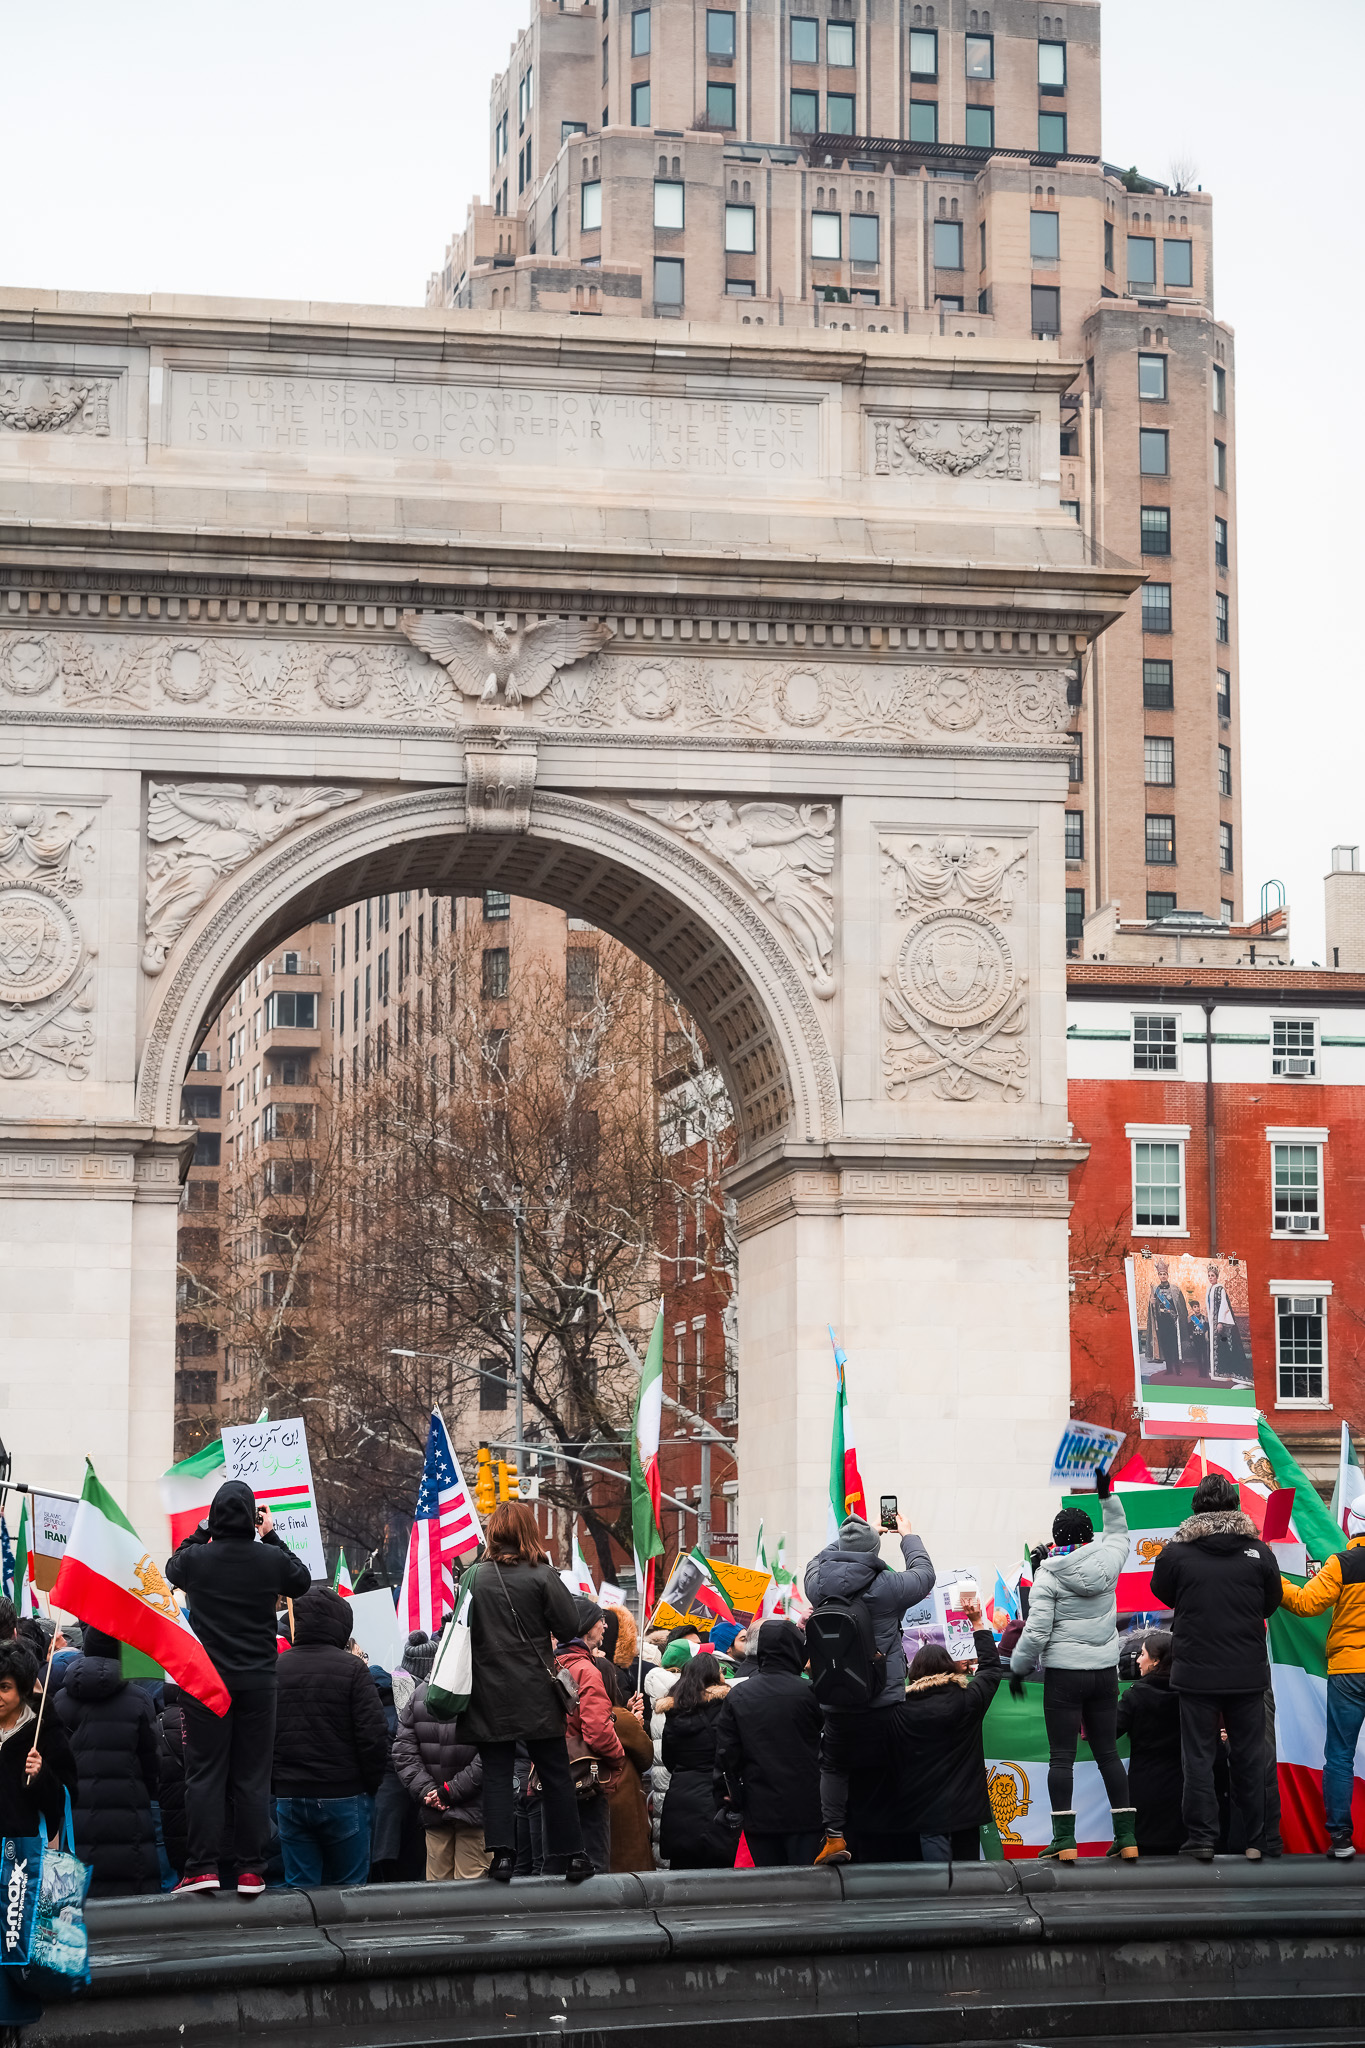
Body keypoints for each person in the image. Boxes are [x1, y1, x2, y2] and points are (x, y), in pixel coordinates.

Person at [165, 1479, 312, 1895]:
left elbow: (171, 1568)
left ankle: (202, 1867)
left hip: (207, 1683)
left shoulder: (197, 1559)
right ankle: (251, 1870)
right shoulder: (270, 1559)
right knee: (252, 1776)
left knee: (205, 1774)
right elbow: (301, 1580)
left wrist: (202, 1530)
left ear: (214, 1517)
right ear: (252, 1517)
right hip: (259, 1682)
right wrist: (272, 1535)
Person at [456, 1500, 593, 1884]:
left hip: (488, 1693)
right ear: (528, 1532)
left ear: (494, 1533)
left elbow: (460, 1631)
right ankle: (573, 1857)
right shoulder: (542, 1575)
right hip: (536, 1693)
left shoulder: (473, 1577)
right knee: (555, 1773)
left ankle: (502, 1858)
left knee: (497, 1776)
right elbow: (569, 1627)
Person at [1150, 1470, 1282, 1861]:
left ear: (1195, 1508)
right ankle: (1258, 1839)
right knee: (1251, 1758)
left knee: (1198, 1758)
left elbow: (1162, 1592)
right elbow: (1271, 1602)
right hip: (1247, 1672)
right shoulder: (1259, 1552)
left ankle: (1202, 1838)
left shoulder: (1176, 1553)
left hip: (1195, 1672)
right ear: (1235, 1506)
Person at [1010, 1466, 1137, 1861]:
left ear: (1056, 1540)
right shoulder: (1110, 1559)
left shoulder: (1047, 1577)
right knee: (1108, 1754)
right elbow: (1118, 1531)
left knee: (1061, 1758)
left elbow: (1036, 1633)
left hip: (1064, 1677)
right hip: (1104, 1673)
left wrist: (1018, 1667)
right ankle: (1127, 1837)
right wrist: (1106, 1495)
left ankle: (1064, 1841)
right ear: (1089, 1537)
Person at [803, 1509, 935, 1864]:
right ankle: (900, 1838)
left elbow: (817, 1559)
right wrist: (907, 1536)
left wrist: (851, 1539)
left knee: (833, 1766)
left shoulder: (817, 1584)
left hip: (836, 1696)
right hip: (883, 1697)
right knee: (893, 1765)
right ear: (874, 1549)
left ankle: (834, 1837)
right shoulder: (886, 1586)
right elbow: (925, 1575)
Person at [271, 1586, 389, 1888]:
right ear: (341, 1624)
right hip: (345, 1793)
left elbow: (261, 1735)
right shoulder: (353, 1669)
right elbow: (373, 1735)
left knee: (301, 1893)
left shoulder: (276, 1668)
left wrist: (277, 1783)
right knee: (350, 1891)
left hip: (290, 1795)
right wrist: (369, 1785)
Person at [885, 1590, 1003, 1862]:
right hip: (967, 1812)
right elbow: (991, 1670)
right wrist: (977, 1623)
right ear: (950, 1667)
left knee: (935, 1880)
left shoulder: (900, 1709)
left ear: (914, 1672)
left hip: (922, 1813)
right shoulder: (969, 1700)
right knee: (967, 1877)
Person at [1277, 1494, 1365, 1857]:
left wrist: (1275, 1578)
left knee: (1341, 1755)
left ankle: (1341, 1839)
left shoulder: (1342, 1563)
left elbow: (1306, 1603)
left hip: (1348, 1671)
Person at [0, 1639, 79, 2038]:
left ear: (22, 1687)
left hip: (24, 1859)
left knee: (17, 1943)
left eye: (5, 1687)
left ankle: (13, 2026)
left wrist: (41, 1775)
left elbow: (66, 1797)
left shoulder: (44, 1729)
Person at [52, 1624, 159, 1896]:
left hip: (76, 1816)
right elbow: (151, 1763)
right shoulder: (140, 1699)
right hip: (130, 1812)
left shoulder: (59, 1700)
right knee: (134, 1903)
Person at [713, 1618, 821, 1866]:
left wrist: (727, 1799)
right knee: (807, 1881)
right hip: (807, 1807)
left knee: (769, 1880)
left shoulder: (739, 1694)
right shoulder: (811, 1692)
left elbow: (727, 1754)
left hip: (759, 1809)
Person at [393, 1668, 490, 1881]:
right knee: (472, 1887)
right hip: (474, 1810)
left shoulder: (419, 1694)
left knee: (437, 1889)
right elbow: (491, 1752)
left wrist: (429, 1792)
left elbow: (403, 1752)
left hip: (435, 1810)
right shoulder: (485, 1690)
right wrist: (449, 1791)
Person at [555, 1599, 626, 1875]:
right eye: (600, 1620)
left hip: (551, 1777)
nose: (605, 1626)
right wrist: (618, 1758)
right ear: (586, 1627)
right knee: (593, 1869)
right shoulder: (586, 1670)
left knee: (555, 1868)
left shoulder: (551, 1663)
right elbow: (598, 1732)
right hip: (585, 1782)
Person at [658, 1650, 734, 1870]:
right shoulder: (724, 1708)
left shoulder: (674, 1713)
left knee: (682, 1869)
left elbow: (668, 1759)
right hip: (715, 1795)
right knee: (718, 1868)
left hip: (680, 1796)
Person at [1115, 1629, 1182, 1856]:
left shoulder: (1136, 1695)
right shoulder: (1190, 1695)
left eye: (1142, 1654)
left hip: (1146, 1784)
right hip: (1183, 1785)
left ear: (1156, 1661)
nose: (1137, 1660)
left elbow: (1110, 1730)